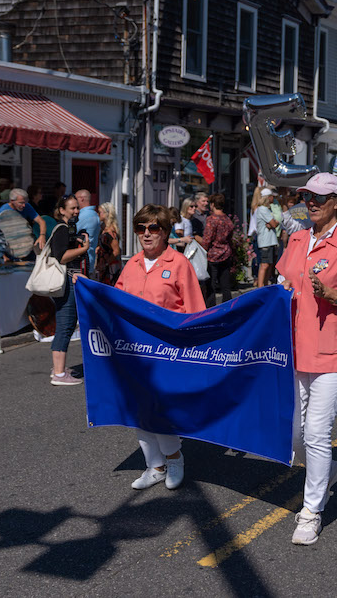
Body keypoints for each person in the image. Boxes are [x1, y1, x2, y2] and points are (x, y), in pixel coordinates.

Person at [275, 173, 337, 545]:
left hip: (333, 352)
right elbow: (283, 284)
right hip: (294, 349)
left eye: (318, 197)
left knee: (316, 432)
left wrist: (332, 294)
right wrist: (279, 291)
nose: (311, 203)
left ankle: (312, 510)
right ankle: (328, 469)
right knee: (293, 436)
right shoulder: (297, 239)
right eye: (306, 197)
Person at [115, 204, 206, 491]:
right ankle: (154, 466)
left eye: (153, 228)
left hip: (168, 352)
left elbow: (195, 310)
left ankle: (174, 458)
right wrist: (85, 287)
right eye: (140, 228)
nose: (146, 233)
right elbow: (113, 301)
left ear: (165, 232)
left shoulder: (179, 263)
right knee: (139, 410)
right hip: (134, 352)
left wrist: (192, 352)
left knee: (161, 409)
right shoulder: (131, 264)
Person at [47, 195, 89, 386]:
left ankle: (59, 368)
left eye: (77, 208)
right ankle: (59, 373)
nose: (76, 211)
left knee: (68, 324)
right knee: (65, 324)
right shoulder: (62, 229)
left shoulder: (68, 228)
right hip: (66, 283)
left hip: (69, 281)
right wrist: (84, 248)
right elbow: (61, 257)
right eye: (72, 208)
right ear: (62, 210)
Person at [202, 193, 235, 307]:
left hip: (213, 255)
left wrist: (202, 250)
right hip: (226, 253)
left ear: (212, 204)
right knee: (225, 285)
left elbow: (207, 238)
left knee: (211, 285)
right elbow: (230, 238)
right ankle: (227, 307)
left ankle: (211, 308)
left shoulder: (212, 219)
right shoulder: (227, 219)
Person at [255, 188, 280, 287]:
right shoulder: (263, 209)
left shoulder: (267, 209)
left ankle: (265, 285)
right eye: (272, 196)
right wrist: (275, 222)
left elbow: (272, 223)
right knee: (264, 265)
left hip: (270, 241)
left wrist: (273, 223)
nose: (273, 198)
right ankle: (260, 286)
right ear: (268, 197)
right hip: (266, 241)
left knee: (269, 265)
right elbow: (274, 223)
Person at [95, 202, 122, 285]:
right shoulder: (103, 228)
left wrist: (106, 264)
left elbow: (116, 251)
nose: (98, 214)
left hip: (110, 268)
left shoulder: (111, 231)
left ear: (107, 213)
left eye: (100, 212)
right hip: (103, 266)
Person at [74, 189, 101, 273]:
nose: (74, 202)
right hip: (89, 259)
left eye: (75, 198)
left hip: (83, 262)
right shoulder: (94, 214)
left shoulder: (85, 215)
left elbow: (71, 231)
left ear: (82, 199)